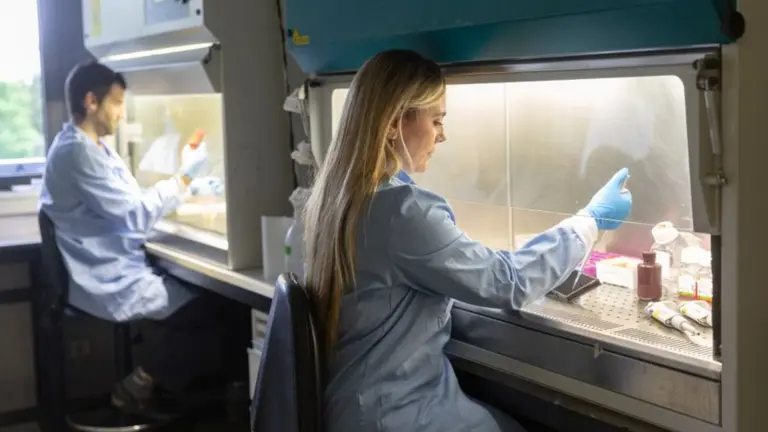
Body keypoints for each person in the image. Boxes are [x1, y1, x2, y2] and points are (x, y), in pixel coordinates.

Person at [303, 50, 633, 432]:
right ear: (393, 123)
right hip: (396, 414)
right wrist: (589, 222)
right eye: (436, 120)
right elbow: (508, 283)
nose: (442, 135)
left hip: (353, 406)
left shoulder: (337, 199)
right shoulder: (402, 211)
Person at [39, 61, 228, 417]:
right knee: (210, 309)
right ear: (91, 101)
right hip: (108, 278)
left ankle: (167, 391)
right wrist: (185, 178)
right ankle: (142, 385)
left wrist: (193, 185)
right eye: (117, 104)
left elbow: (128, 199)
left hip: (113, 265)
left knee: (202, 301)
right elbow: (133, 214)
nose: (122, 115)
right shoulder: (76, 153)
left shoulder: (91, 149)